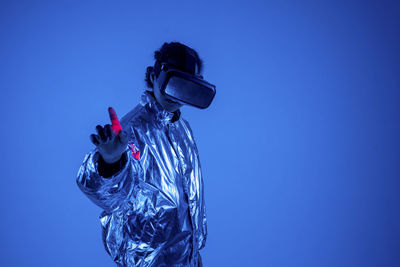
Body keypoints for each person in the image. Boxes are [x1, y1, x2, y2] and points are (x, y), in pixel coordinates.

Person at [76, 42, 209, 267]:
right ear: (154, 76)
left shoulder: (182, 129)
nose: (176, 95)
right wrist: (110, 162)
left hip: (189, 258)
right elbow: (104, 194)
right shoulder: (131, 131)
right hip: (148, 261)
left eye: (185, 86)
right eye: (172, 82)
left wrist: (194, 251)